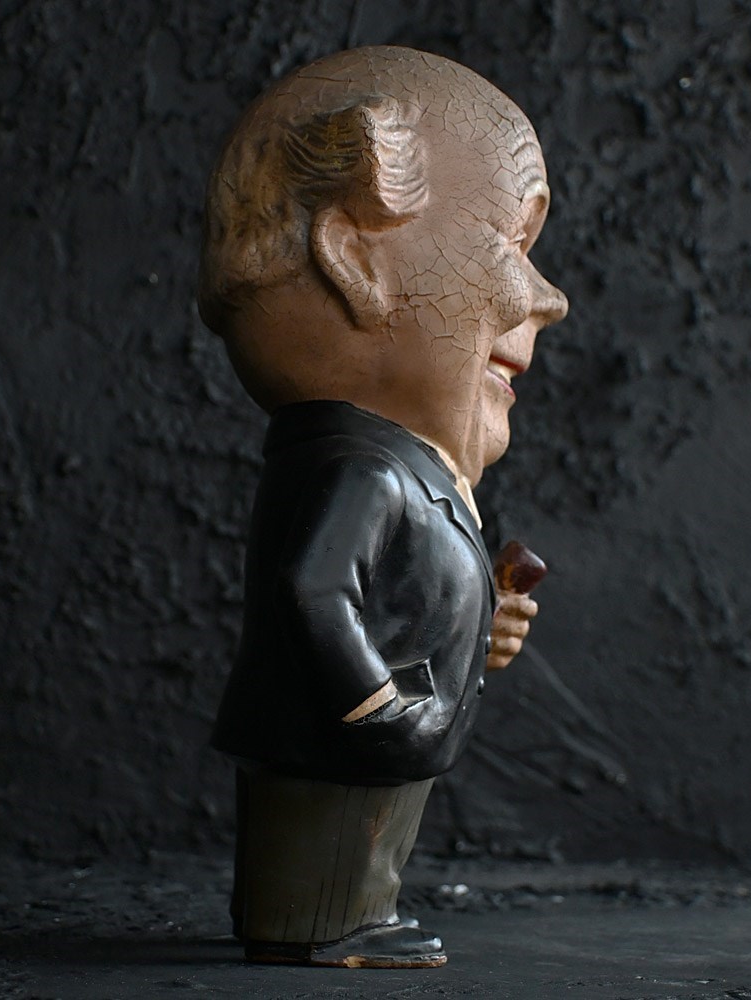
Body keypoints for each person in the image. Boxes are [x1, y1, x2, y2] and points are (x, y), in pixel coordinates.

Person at [198, 45, 568, 968]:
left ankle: (351, 917)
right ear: (355, 255)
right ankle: (314, 925)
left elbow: (392, 591)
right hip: (349, 738)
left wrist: (480, 619)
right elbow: (314, 589)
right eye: (515, 243)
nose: (550, 299)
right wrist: (375, 705)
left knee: (369, 839)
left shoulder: (400, 465)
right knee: (325, 842)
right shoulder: (360, 470)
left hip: (386, 739)